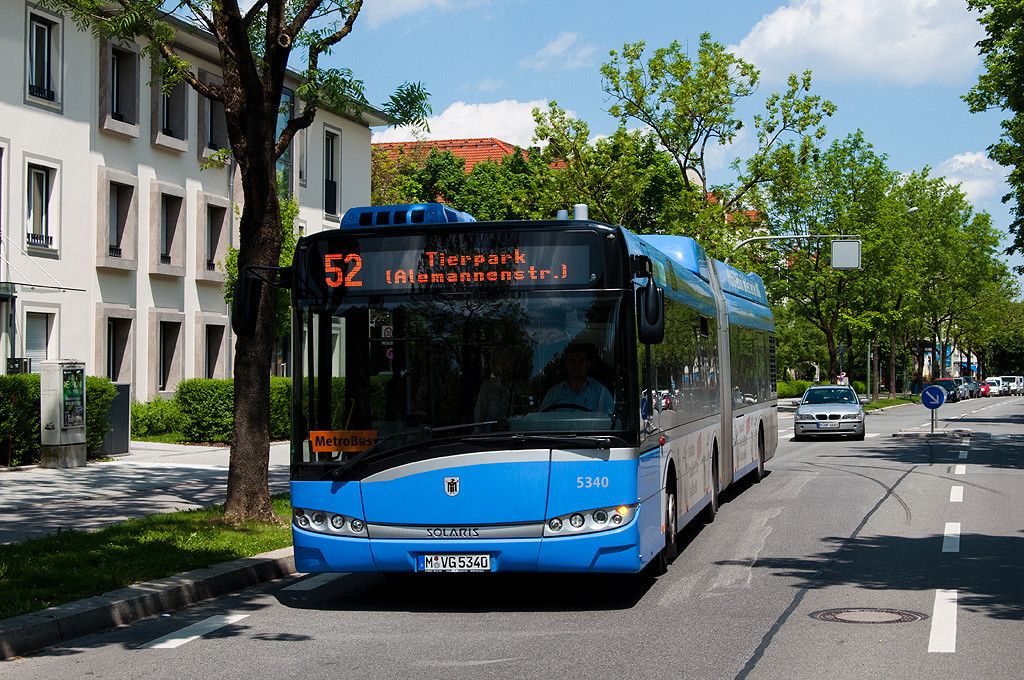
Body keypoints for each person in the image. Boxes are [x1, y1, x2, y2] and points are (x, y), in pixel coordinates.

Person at [540, 344, 614, 414]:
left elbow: (611, 421)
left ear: (588, 364)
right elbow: (541, 420)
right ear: (566, 364)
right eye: (571, 361)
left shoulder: (601, 393)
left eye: (581, 361)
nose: (576, 365)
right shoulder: (554, 393)